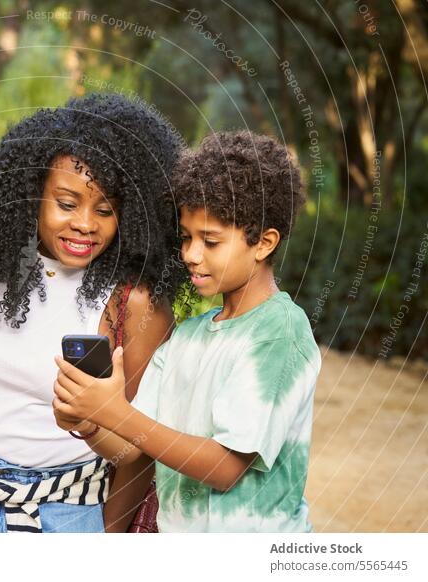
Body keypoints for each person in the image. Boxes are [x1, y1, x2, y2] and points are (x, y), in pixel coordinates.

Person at [53, 130, 320, 532]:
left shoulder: (278, 332)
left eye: (210, 242)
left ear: (263, 243)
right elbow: (130, 449)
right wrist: (88, 419)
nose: (190, 255)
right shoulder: (189, 336)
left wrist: (115, 413)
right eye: (185, 237)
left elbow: (224, 467)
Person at [0, 93, 188, 533]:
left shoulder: (131, 303)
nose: (85, 224)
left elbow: (140, 449)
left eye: (106, 210)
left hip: (62, 514)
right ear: (34, 195)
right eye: (67, 202)